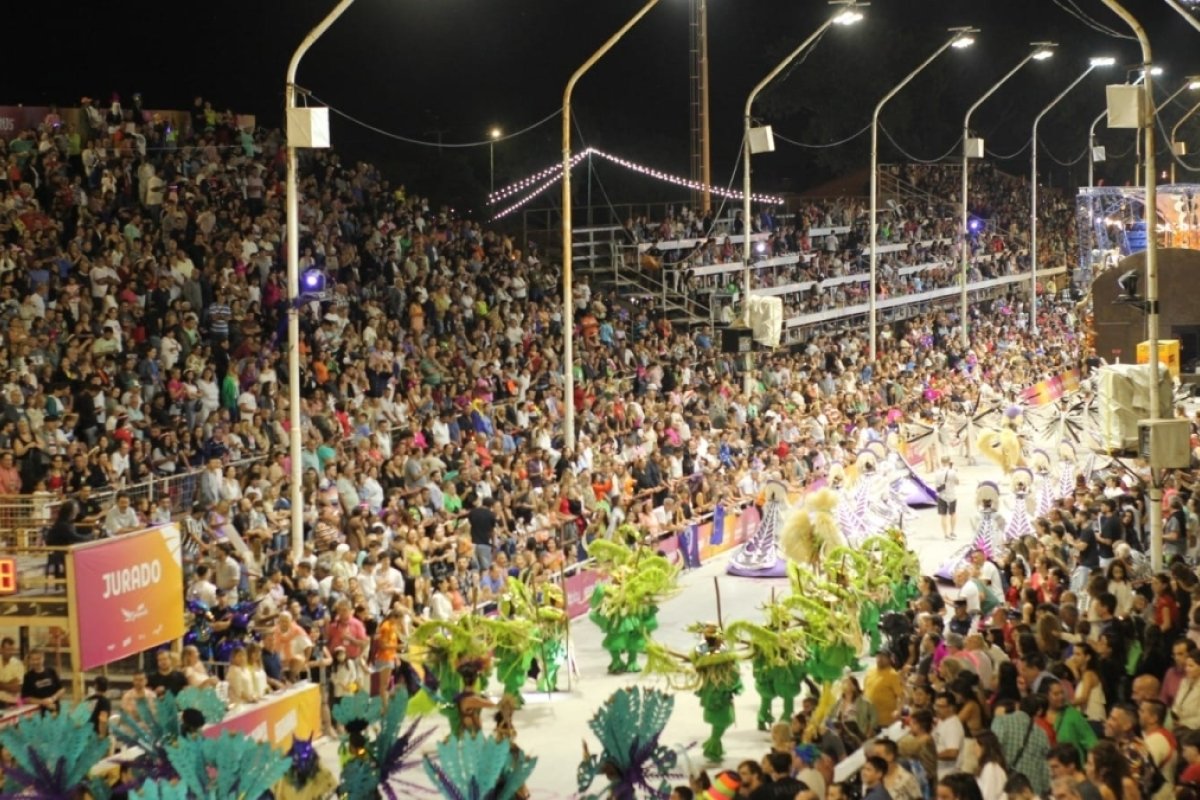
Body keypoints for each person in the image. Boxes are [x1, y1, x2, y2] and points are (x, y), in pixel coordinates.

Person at [865, 652, 906, 727]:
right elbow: (865, 692)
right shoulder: (870, 671)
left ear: (889, 659)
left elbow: (902, 696)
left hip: (885, 721)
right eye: (878, 656)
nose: (880, 659)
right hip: (869, 718)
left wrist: (898, 711)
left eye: (883, 657)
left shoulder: (893, 675)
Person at [933, 692, 965, 778]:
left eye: (941, 707)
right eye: (936, 706)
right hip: (938, 771)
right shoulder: (942, 721)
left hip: (948, 774)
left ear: (951, 708)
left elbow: (952, 753)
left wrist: (932, 756)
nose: (937, 709)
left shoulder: (953, 726)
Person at [970, 730, 1007, 800]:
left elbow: (988, 796)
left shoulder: (990, 768)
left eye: (975, 745)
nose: (973, 749)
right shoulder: (988, 767)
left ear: (984, 747)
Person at [935, 456, 959, 540]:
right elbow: (957, 482)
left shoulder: (937, 472)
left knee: (943, 515)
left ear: (941, 462)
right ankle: (952, 531)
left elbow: (937, 485)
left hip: (942, 495)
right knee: (953, 513)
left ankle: (945, 534)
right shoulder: (952, 472)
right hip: (952, 495)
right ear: (949, 462)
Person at [0, 637, 24, 707]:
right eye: (7, 649)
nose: (10, 652)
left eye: (12, 650)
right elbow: (12, 686)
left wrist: (1, 684)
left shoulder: (18, 664)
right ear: (1, 649)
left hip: (11, 702)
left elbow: (16, 688)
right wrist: (10, 683)